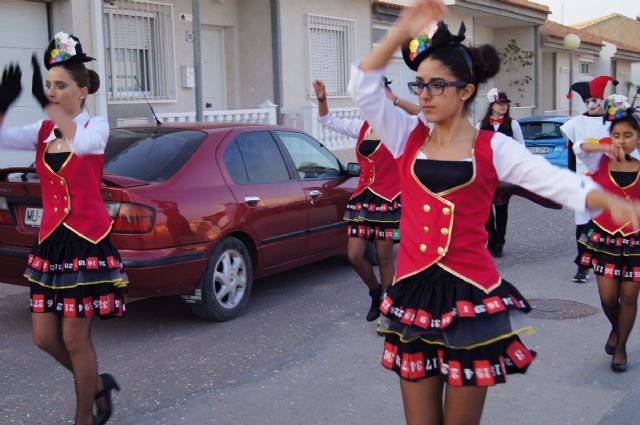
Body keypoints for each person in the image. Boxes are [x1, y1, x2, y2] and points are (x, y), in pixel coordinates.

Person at [349, 1, 640, 423]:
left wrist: (611, 201)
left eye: (437, 85)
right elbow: (364, 87)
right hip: (413, 293)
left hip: (471, 295)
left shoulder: (494, 147)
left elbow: (557, 182)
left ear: (466, 90)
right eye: (419, 85)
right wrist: (399, 31)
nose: (425, 95)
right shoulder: (404, 135)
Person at [0, 32, 125, 425]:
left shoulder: (97, 127)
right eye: (48, 85)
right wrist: (2, 104)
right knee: (43, 339)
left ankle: (82, 417)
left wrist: (51, 111)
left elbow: (84, 145)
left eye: (61, 86)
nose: (52, 93)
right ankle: (97, 385)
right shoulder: (41, 130)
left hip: (86, 244)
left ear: (83, 90)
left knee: (74, 339)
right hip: (52, 245)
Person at [313, 78, 418, 322]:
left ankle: (388, 306)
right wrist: (322, 100)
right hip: (363, 198)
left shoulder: (402, 127)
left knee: (383, 257)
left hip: (389, 200)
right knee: (355, 255)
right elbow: (328, 121)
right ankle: (375, 293)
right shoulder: (361, 126)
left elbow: (424, 117)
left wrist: (397, 101)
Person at [574, 94, 640, 373]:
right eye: (616, 135)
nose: (622, 140)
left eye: (628, 135)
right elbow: (579, 146)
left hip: (636, 239)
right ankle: (616, 328)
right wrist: (604, 147)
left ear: (638, 137)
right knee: (607, 298)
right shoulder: (598, 161)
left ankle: (621, 345)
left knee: (629, 298)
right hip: (605, 238)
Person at [561, 76, 618, 283]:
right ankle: (583, 266)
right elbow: (571, 157)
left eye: (595, 100)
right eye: (588, 102)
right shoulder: (575, 124)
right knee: (583, 222)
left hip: (608, 183)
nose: (592, 104)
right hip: (583, 183)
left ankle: (598, 260)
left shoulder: (612, 123)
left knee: (600, 223)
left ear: (603, 101)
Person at [478, 89, 524, 257]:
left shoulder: (513, 125)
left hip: (506, 173)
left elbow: (521, 148)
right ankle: (490, 237)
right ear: (492, 106)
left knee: (502, 207)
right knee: (486, 208)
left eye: (505, 103)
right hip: (486, 174)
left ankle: (500, 241)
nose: (503, 106)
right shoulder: (481, 125)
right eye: (500, 103)